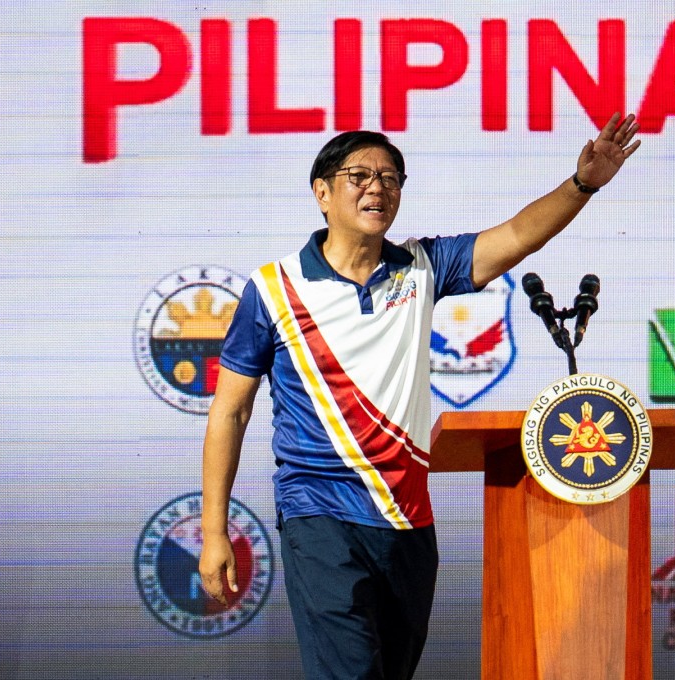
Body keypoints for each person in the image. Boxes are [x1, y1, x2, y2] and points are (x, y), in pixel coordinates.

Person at [199, 113, 641, 679]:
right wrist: (214, 531)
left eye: (390, 178)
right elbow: (231, 412)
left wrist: (582, 184)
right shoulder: (274, 289)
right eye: (359, 176)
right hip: (319, 513)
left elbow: (516, 236)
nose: (377, 188)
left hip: (408, 520)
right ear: (322, 193)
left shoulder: (422, 267)